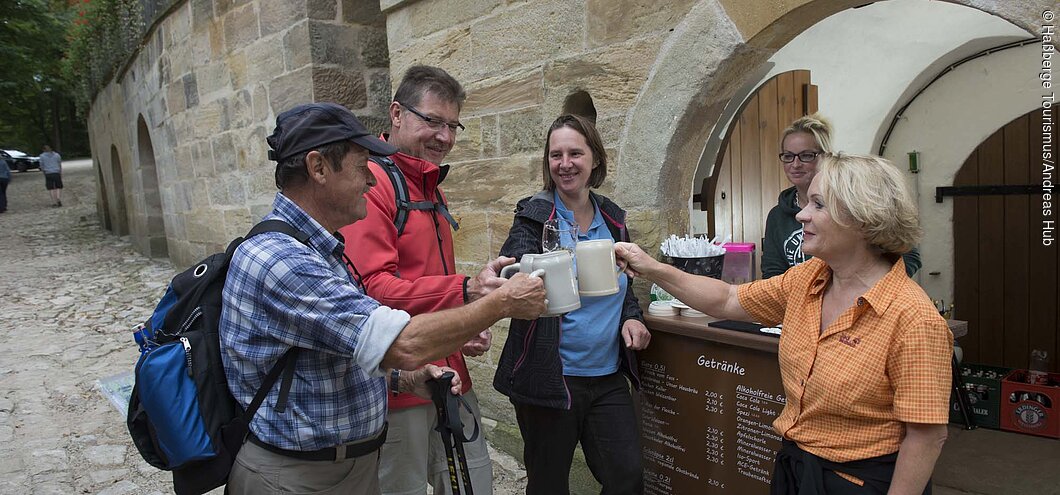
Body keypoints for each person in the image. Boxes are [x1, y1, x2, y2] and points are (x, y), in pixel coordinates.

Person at [219, 102, 546, 495]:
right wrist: (501, 304)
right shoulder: (282, 260)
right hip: (296, 478)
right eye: (362, 168)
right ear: (318, 167)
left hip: (343, 469)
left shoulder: (319, 250)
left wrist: (404, 378)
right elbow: (402, 341)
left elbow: (334, 348)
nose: (372, 183)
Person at [615, 153, 952, 495]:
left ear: (863, 218)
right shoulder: (807, 279)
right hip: (796, 470)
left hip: (861, 484)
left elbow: (926, 436)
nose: (802, 214)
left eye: (818, 205)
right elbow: (727, 300)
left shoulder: (913, 319)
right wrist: (652, 267)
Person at [338, 65, 502, 495]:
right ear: (396, 114)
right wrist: (465, 291)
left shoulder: (429, 185)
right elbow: (372, 289)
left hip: (450, 372)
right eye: (432, 120)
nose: (444, 136)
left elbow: (424, 280)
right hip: (399, 387)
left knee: (474, 483)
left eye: (452, 125)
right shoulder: (371, 184)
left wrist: (462, 325)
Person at [495, 114, 651, 495]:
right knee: (548, 485)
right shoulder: (534, 215)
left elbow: (623, 281)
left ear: (594, 158)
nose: (565, 164)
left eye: (575, 153)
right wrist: (534, 272)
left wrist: (631, 316)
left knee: (626, 476)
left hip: (608, 375)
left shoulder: (612, 218)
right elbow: (511, 272)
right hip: (552, 377)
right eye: (555, 155)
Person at [761, 114, 920, 278]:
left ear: (826, 156)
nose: (795, 164)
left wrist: (868, 290)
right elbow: (773, 273)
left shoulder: (853, 201)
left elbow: (907, 254)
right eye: (788, 156)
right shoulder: (778, 215)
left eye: (806, 155)